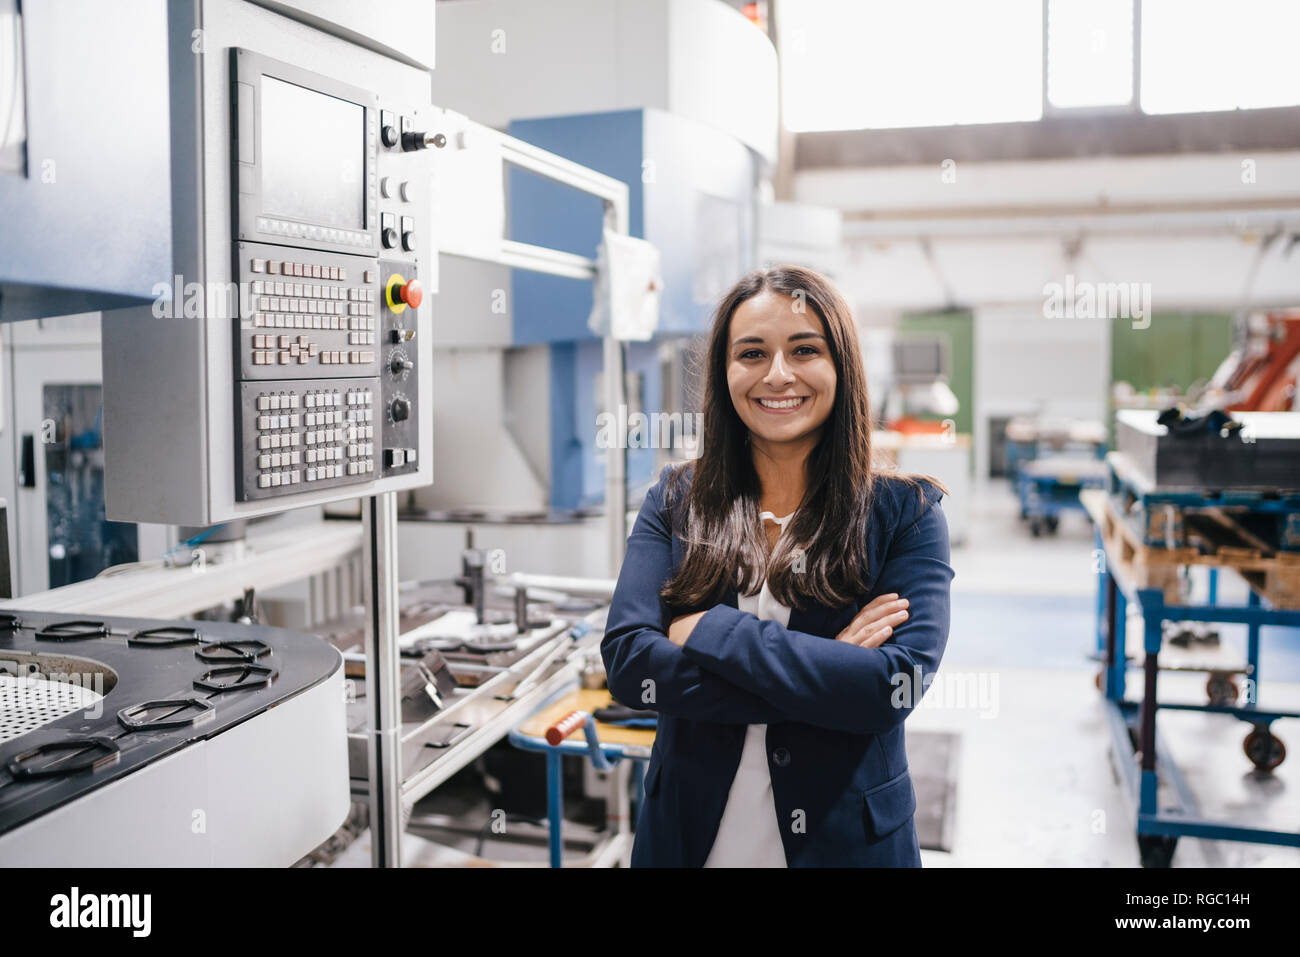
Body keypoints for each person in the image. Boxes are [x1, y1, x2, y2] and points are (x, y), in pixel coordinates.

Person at [601, 265, 953, 867]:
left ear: (841, 365)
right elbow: (632, 665)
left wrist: (711, 630)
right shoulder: (677, 499)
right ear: (725, 372)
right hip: (689, 842)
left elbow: (890, 687)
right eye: (752, 353)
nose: (778, 375)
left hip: (844, 845)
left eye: (805, 349)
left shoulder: (906, 512)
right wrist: (827, 675)